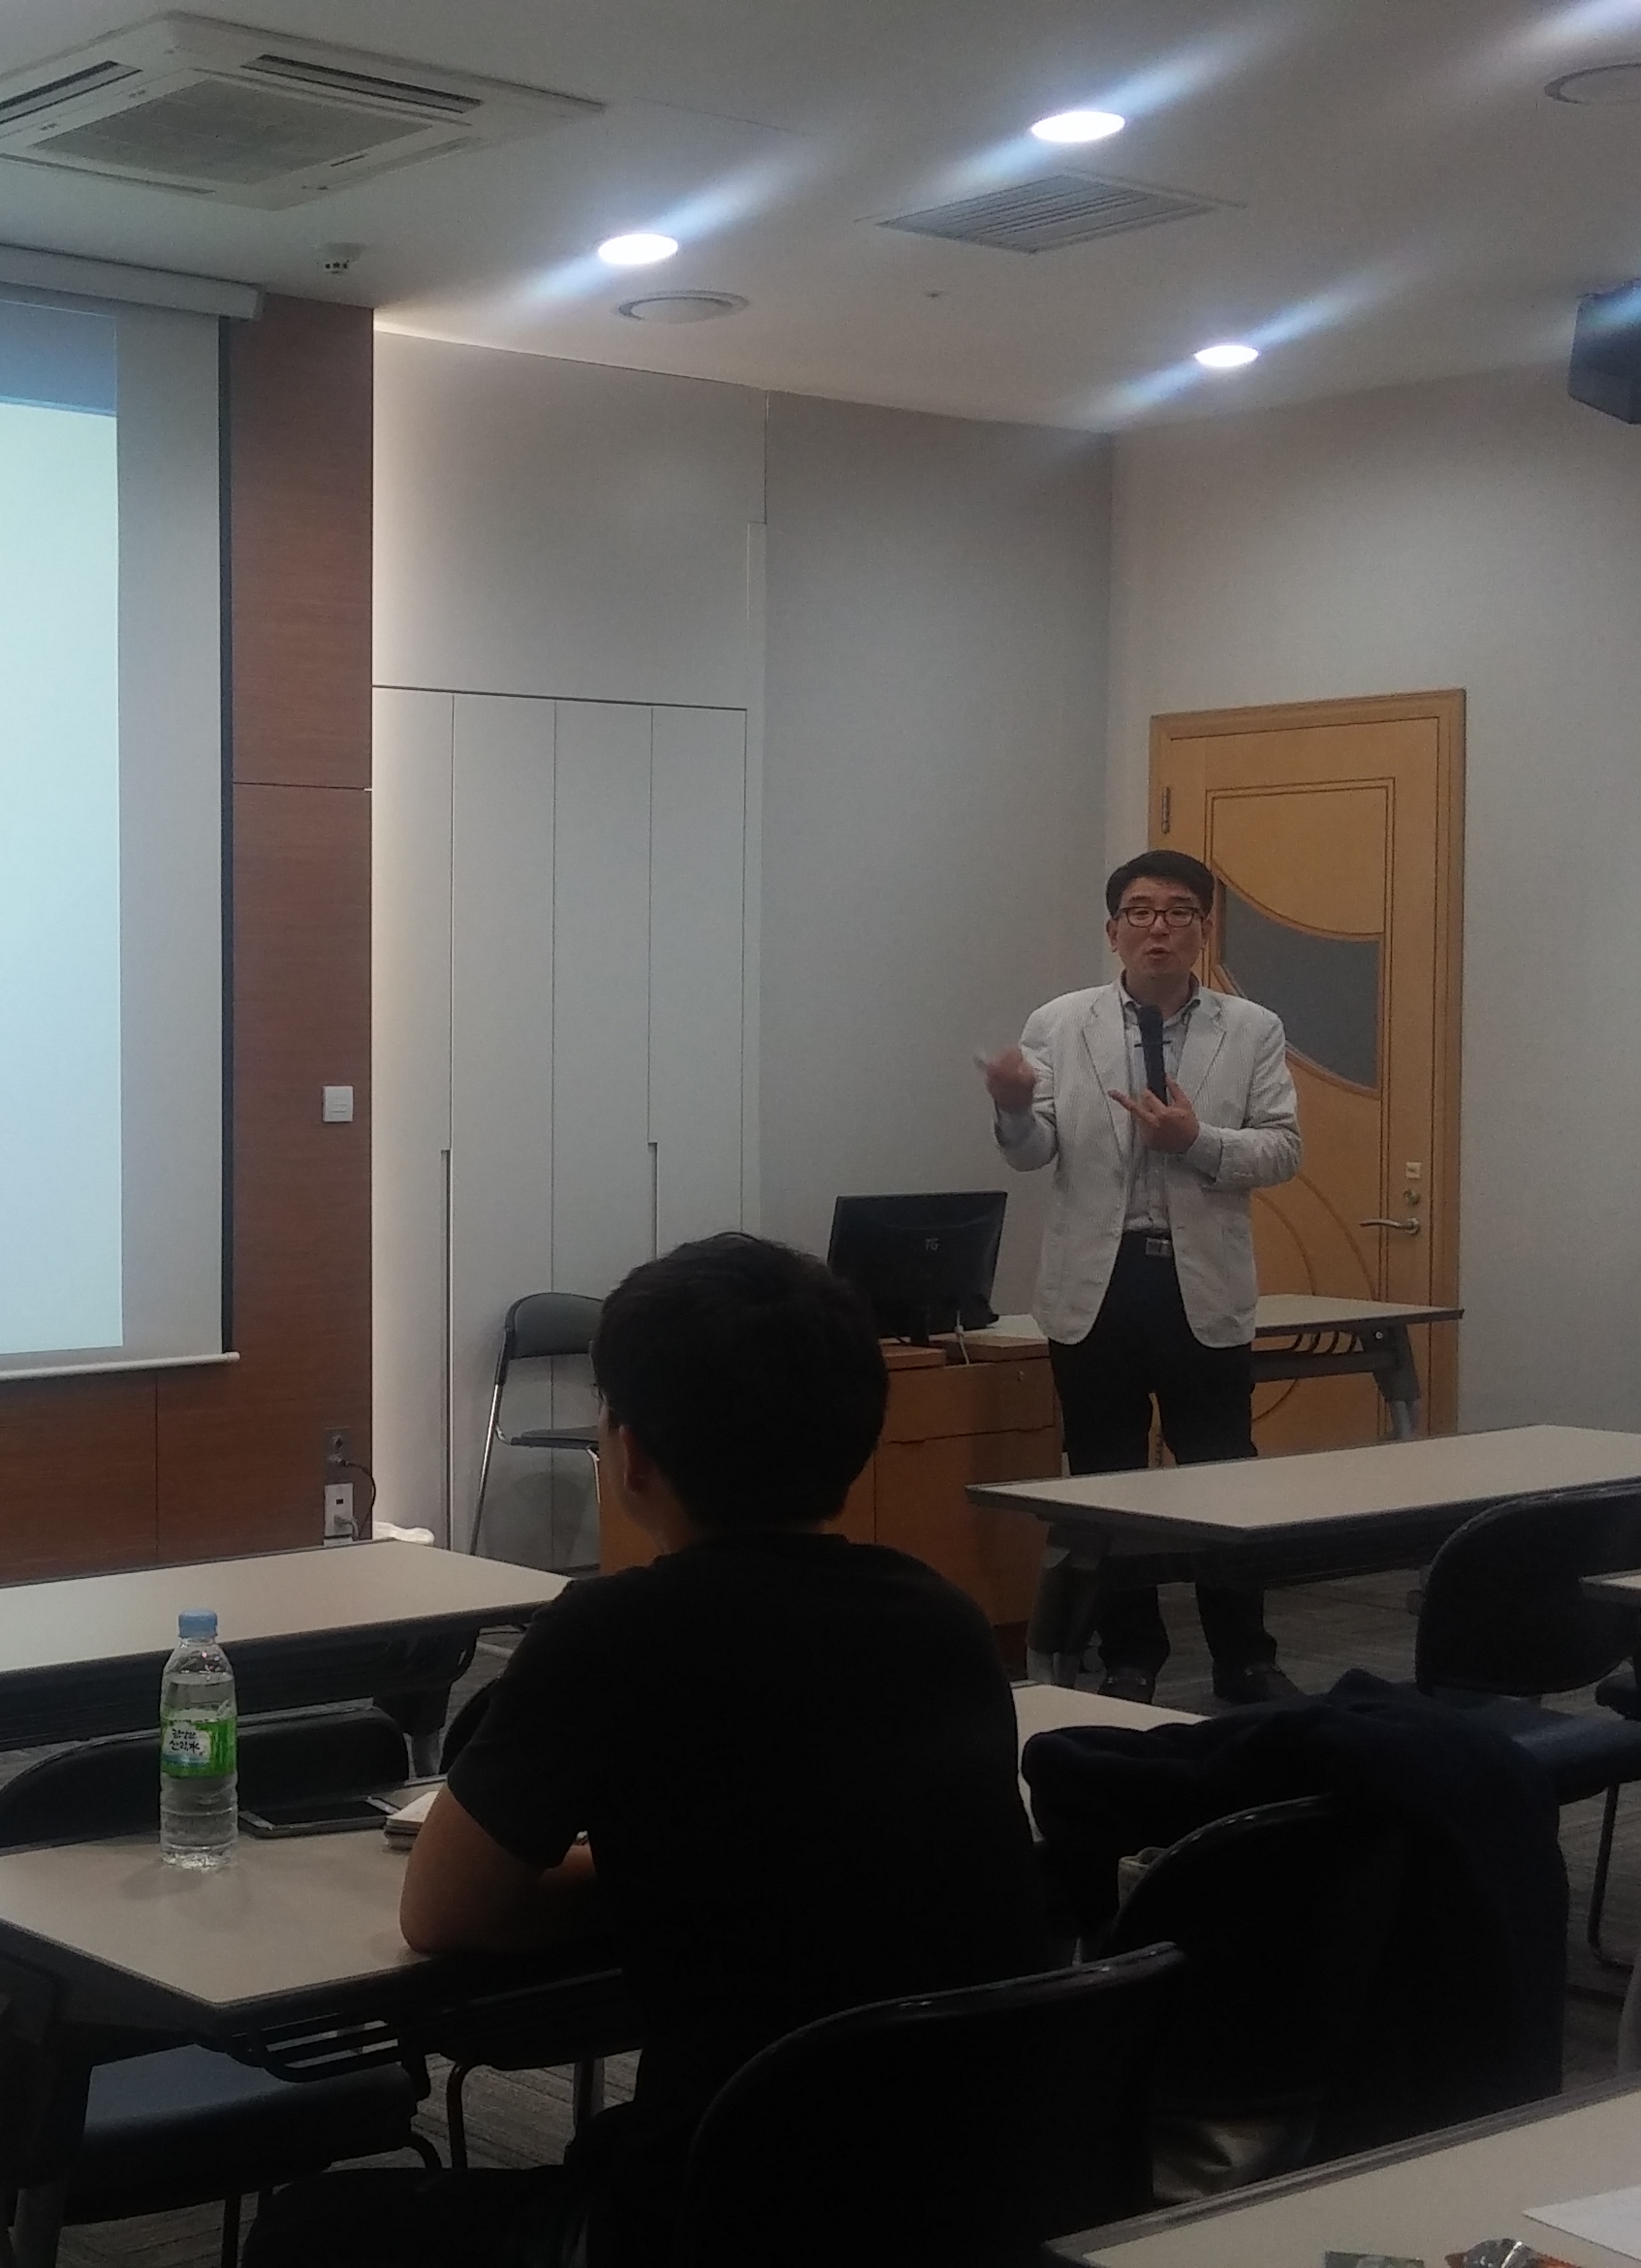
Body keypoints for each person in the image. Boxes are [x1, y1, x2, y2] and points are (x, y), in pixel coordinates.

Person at [244, 1233, 1051, 2268]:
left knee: (309, 2233)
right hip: (962, 2197)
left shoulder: (613, 1635)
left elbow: (442, 1913)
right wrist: (669, 1867)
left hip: (721, 2218)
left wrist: (621, 1869)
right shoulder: (945, 1622)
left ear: (627, 1454)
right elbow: (821, 1851)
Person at [981, 849, 1305, 1706]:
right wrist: (1011, 1109)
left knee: (1223, 1473)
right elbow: (1034, 1152)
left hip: (1201, 1283)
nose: (1158, 927)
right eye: (1141, 911)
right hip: (1098, 1284)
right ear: (1113, 928)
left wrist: (1195, 1141)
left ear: (1204, 927)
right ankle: (1130, 1654)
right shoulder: (1061, 1023)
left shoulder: (1251, 1028)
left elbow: (1282, 1149)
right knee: (1106, 1480)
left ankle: (1245, 1656)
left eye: (1178, 911)